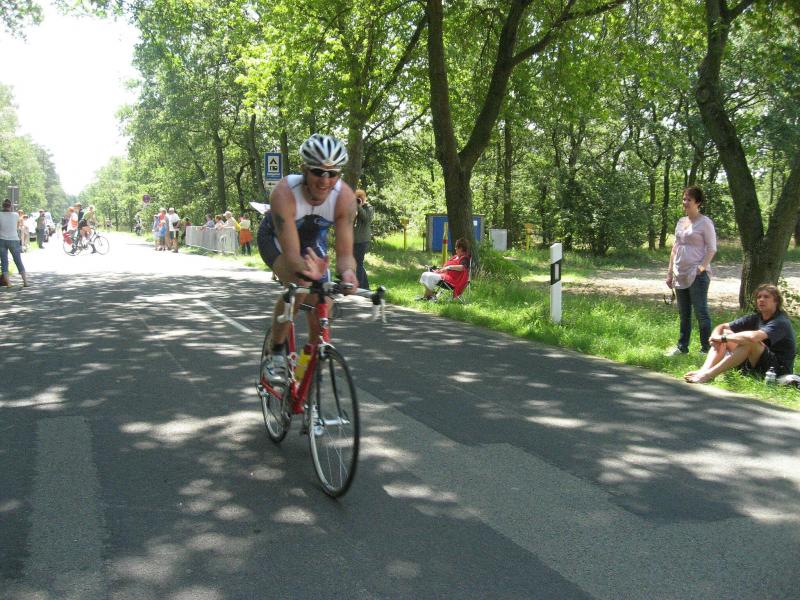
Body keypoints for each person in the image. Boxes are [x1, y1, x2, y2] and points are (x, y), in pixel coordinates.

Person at [257, 133, 358, 384]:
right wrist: (305, 272)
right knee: (300, 285)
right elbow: (292, 256)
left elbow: (346, 255)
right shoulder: (284, 193)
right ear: (304, 169)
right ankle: (276, 351)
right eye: (317, 172)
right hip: (276, 239)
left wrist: (348, 274)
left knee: (323, 308)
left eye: (332, 173)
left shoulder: (345, 198)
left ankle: (303, 375)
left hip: (312, 242)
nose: (325, 180)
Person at [685, 284, 796, 384]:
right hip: (757, 363)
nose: (761, 300)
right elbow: (722, 327)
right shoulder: (756, 317)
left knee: (747, 341)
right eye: (759, 297)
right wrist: (714, 337)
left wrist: (722, 338)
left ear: (776, 301)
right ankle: (704, 371)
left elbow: (753, 337)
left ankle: (708, 375)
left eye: (766, 297)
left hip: (777, 370)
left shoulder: (780, 322)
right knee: (724, 333)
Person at [665, 186, 717, 356]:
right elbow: (675, 248)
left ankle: (706, 349)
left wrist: (701, 268)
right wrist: (670, 272)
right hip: (680, 274)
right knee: (684, 313)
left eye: (689, 199)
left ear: (698, 202)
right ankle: (682, 347)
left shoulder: (705, 222)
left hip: (697, 275)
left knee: (701, 312)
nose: (685, 202)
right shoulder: (681, 222)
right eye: (684, 199)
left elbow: (712, 249)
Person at [1, 199, 28, 287]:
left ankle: (8, 283)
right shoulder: (16, 215)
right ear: (10, 206)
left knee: (4, 261)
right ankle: (25, 282)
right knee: (18, 260)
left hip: (2, 240)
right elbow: (17, 226)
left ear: (2, 206)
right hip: (14, 239)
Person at [353, 188, 373, 289]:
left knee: (359, 264)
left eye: (360, 198)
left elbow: (366, 218)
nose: (358, 200)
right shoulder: (354, 207)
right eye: (357, 198)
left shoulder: (369, 208)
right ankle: (365, 287)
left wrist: (359, 206)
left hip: (362, 240)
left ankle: (360, 287)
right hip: (354, 240)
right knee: (357, 263)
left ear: (364, 198)